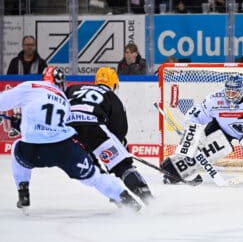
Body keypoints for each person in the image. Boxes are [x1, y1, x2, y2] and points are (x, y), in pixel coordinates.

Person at [0, 66, 141, 213]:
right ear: (60, 82)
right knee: (94, 177)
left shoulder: (30, 86)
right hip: (64, 149)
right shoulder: (63, 100)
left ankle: (23, 190)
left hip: (33, 150)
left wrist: (18, 123)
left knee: (17, 147)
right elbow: (58, 124)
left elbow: (4, 102)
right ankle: (126, 200)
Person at [64, 67, 153, 204]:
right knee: (122, 166)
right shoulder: (112, 97)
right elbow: (119, 132)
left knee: (95, 172)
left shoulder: (73, 88)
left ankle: (122, 199)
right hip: (94, 129)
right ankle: (148, 199)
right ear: (115, 84)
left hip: (68, 133)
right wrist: (121, 149)